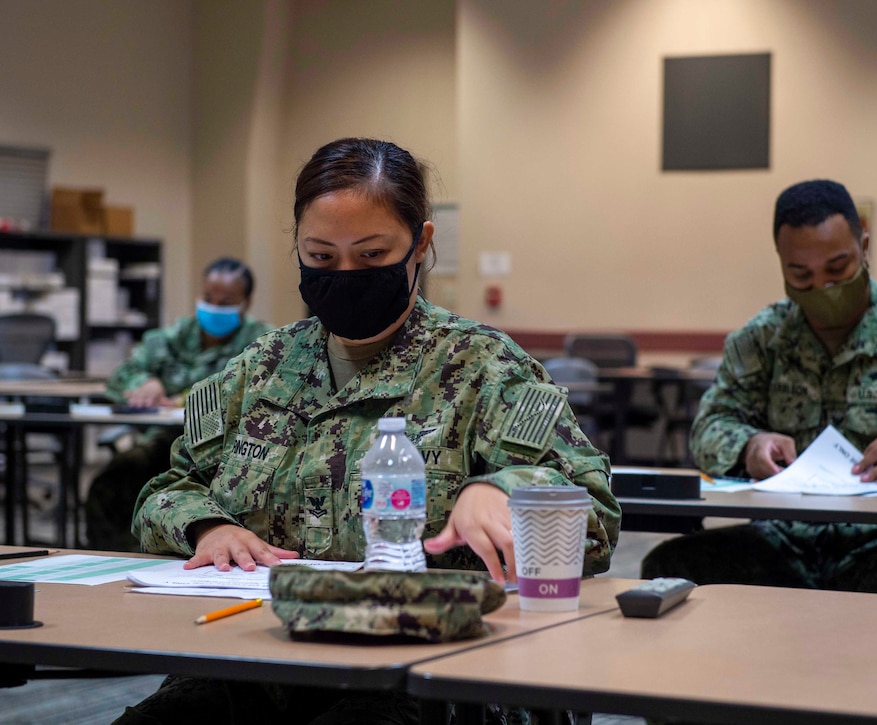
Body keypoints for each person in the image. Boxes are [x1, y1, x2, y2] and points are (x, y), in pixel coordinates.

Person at [117, 137, 619, 724]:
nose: (346, 275)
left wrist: (505, 489)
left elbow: (596, 514)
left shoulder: (484, 366)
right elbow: (166, 492)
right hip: (262, 654)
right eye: (322, 258)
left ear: (420, 245)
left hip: (437, 669)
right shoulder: (257, 370)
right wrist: (207, 527)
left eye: (373, 255)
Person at [641, 179, 877, 595]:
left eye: (838, 269)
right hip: (785, 540)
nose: (822, 287)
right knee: (671, 566)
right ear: (782, 265)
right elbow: (709, 427)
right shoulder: (761, 340)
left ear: (865, 248)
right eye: (801, 275)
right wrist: (749, 445)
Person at [84, 258, 273, 551]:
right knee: (113, 481)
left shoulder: (262, 342)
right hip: (165, 440)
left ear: (246, 303)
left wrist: (185, 397)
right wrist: (145, 385)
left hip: (224, 451)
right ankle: (118, 557)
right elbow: (123, 374)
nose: (213, 306)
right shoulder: (175, 336)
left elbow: (254, 390)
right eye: (208, 298)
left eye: (225, 301)